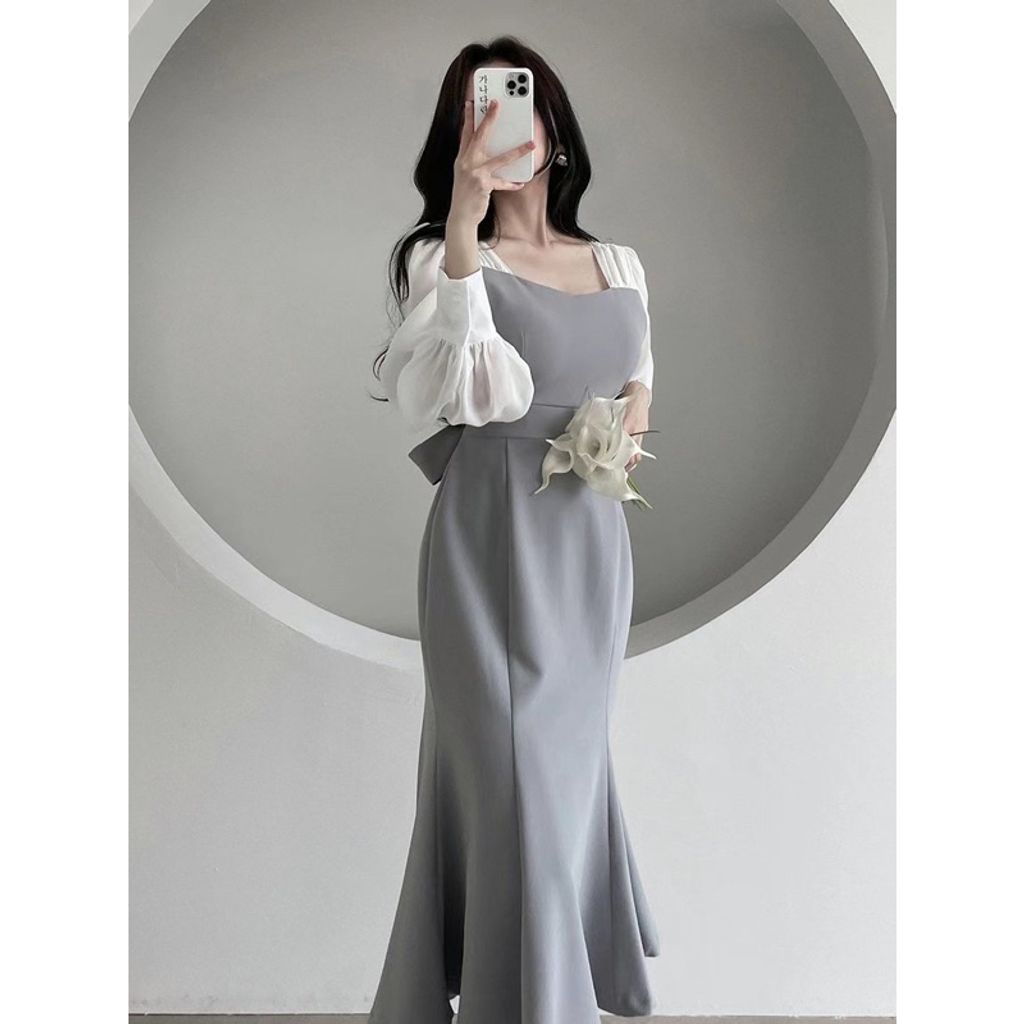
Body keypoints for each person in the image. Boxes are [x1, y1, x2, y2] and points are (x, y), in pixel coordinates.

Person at [369, 37, 659, 1024]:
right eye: (475, 112)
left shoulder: (618, 262)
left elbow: (639, 388)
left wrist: (621, 433)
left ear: (555, 127)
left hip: (589, 546)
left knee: (563, 781)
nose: (498, 126)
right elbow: (463, 392)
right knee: (513, 777)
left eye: (512, 105)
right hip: (488, 540)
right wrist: (463, 215)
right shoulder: (443, 259)